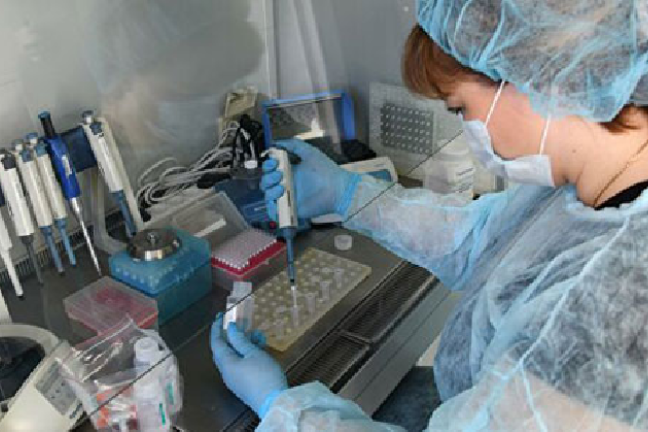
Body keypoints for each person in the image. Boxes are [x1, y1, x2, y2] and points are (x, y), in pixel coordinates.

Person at [211, 0, 648, 430]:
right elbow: (479, 239)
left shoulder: (617, 314)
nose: (467, 128)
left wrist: (284, 410)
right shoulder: (593, 181)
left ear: (541, 78)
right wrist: (347, 195)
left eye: (460, 108)